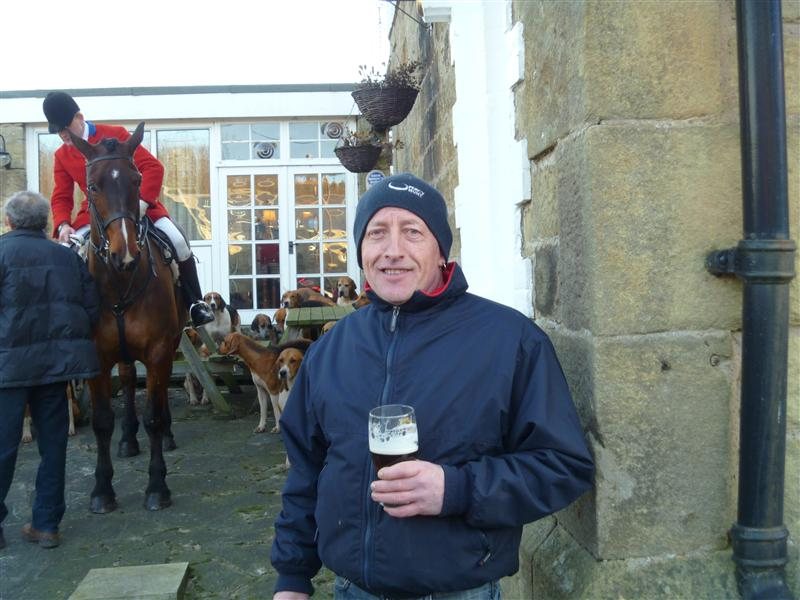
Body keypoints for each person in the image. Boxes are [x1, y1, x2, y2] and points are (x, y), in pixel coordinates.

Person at [270, 173, 595, 599]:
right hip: (352, 590)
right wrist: (292, 577)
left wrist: (456, 489)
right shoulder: (331, 350)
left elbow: (563, 466)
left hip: (458, 590)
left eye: (412, 232)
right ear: (361, 250)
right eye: (377, 233)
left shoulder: (510, 341)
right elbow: (306, 470)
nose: (393, 250)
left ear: (441, 250)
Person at [41, 90, 214, 328]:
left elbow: (153, 168)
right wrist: (62, 224)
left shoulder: (115, 134)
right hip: (96, 214)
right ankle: (68, 314)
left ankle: (195, 303)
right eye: (58, 131)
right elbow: (61, 195)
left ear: (79, 117)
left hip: (140, 205)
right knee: (66, 253)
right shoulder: (62, 155)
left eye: (66, 127)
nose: (63, 134)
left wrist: (142, 204)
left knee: (178, 241)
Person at [0, 191, 101, 550]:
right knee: (54, 447)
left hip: (8, 370)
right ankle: (46, 525)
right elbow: (91, 310)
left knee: (2, 448)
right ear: (45, 222)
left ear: (9, 221)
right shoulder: (66, 257)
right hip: (55, 368)